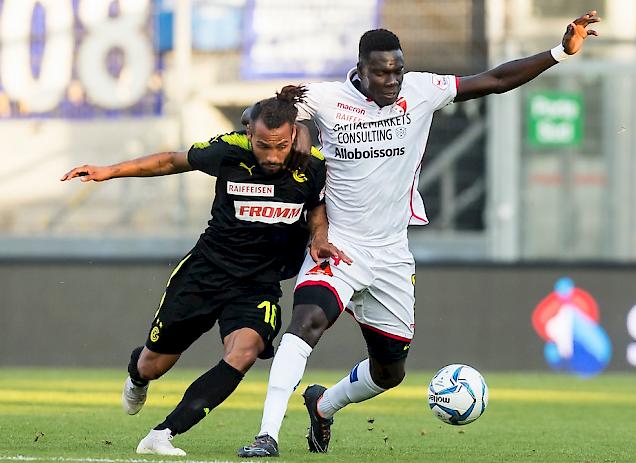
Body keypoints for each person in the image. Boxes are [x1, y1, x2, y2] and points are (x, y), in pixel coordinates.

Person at [238, 10, 600, 457]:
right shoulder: (324, 98)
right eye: (381, 73)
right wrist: (296, 132)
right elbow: (257, 115)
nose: (392, 81)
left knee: (390, 372)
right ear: (360, 69)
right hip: (338, 245)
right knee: (306, 323)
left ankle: (323, 405)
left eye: (397, 70)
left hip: (391, 253)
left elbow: (496, 79)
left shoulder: (422, 90)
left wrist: (559, 52)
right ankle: (267, 434)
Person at [61, 86, 349, 456]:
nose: (273, 155)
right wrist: (109, 172)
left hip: (258, 284)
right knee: (153, 365)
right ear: (249, 135)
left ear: (294, 134)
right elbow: (170, 161)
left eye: (280, 146)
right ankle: (137, 375)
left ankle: (162, 434)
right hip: (206, 272)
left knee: (245, 352)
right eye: (263, 145)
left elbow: (316, 208)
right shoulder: (229, 151)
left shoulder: (312, 165)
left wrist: (320, 236)